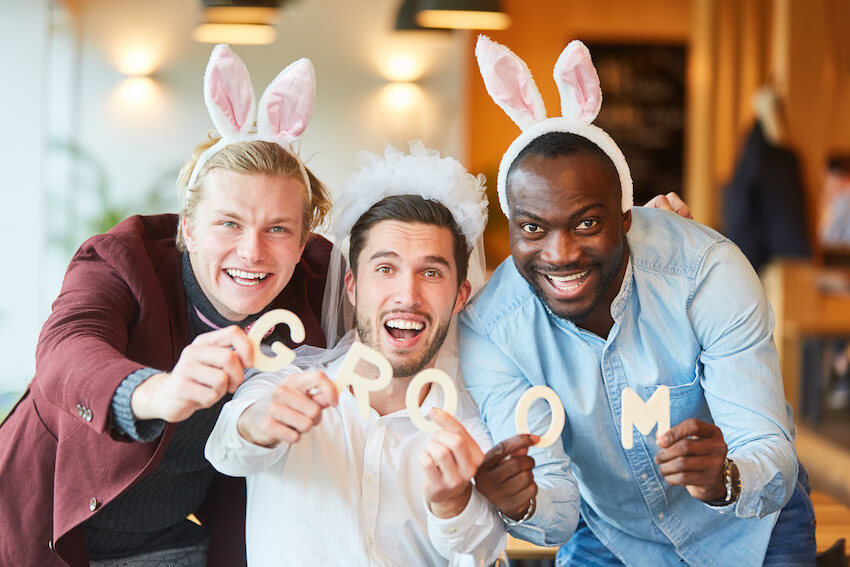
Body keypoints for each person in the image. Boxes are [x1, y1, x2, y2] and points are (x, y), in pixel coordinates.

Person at [461, 37, 816, 566]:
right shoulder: (492, 329)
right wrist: (523, 501)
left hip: (749, 528)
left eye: (586, 222)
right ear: (512, 226)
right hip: (611, 535)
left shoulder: (707, 273)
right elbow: (557, 511)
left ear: (625, 216)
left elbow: (768, 448)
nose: (559, 254)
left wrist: (726, 477)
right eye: (532, 228)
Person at [0, 46, 333, 567]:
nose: (252, 251)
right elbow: (65, 351)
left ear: (302, 240)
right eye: (229, 223)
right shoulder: (120, 259)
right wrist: (160, 390)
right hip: (43, 527)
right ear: (188, 229)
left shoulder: (319, 283)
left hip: (176, 539)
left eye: (277, 229)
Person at [205, 142, 539, 565]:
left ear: (460, 296)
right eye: (385, 268)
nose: (407, 294)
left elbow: (483, 552)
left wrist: (454, 503)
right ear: (352, 287)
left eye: (431, 272)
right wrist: (259, 422)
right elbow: (228, 450)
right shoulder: (283, 385)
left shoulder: (471, 430)